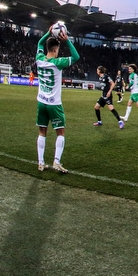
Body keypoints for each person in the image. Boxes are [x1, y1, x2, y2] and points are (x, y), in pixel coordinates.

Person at [35, 29, 79, 173]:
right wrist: (67, 41)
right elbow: (76, 56)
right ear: (55, 49)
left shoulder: (39, 59)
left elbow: (40, 43)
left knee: (42, 132)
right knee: (60, 133)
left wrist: (48, 33)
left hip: (41, 102)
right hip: (54, 104)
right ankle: (56, 162)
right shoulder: (58, 62)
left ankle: (41, 163)